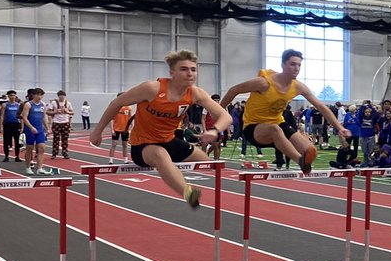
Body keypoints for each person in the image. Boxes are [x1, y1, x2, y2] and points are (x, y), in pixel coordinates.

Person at [90, 50, 232, 208]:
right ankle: (188, 193)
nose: (190, 74)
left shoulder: (196, 93)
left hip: (169, 141)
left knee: (206, 162)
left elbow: (226, 116)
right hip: (143, 145)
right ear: (172, 73)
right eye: (184, 69)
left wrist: (214, 130)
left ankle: (172, 174)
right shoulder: (152, 88)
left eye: (193, 69)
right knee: (160, 154)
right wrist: (97, 131)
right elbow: (116, 103)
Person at [220, 49, 349, 176]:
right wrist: (219, 112)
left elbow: (320, 106)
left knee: (310, 150)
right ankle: (300, 161)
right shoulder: (264, 83)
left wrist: (339, 127)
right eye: (292, 64)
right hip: (254, 128)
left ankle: (304, 159)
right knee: (274, 129)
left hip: (278, 124)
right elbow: (234, 90)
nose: (296, 68)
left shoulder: (298, 86)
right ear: (283, 65)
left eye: (299, 65)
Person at [20, 88, 50, 175]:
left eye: (41, 95)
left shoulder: (42, 105)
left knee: (42, 148)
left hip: (40, 129)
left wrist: (47, 128)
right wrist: (31, 127)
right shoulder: (28, 105)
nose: (39, 97)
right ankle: (28, 167)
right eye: (37, 94)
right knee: (29, 149)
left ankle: (40, 168)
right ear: (33, 95)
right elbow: (24, 117)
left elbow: (44, 117)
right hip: (30, 130)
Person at [46, 90, 75, 158]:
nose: (62, 97)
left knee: (65, 139)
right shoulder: (53, 103)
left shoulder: (68, 103)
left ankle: (65, 153)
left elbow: (72, 112)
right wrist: (55, 112)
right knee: (56, 139)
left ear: (65, 96)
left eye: (63, 96)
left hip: (65, 123)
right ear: (58, 96)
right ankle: (54, 153)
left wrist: (67, 111)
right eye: (60, 96)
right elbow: (47, 112)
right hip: (56, 123)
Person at [107, 93, 134, 164]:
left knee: (125, 145)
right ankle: (111, 159)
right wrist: (112, 129)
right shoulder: (115, 107)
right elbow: (112, 119)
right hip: (116, 129)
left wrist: (132, 127)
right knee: (114, 144)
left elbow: (131, 118)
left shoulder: (129, 108)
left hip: (125, 129)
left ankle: (125, 159)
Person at [0, 90, 24, 162]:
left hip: (16, 124)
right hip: (7, 125)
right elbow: (2, 116)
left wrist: (22, 126)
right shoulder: (5, 105)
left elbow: (21, 116)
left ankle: (17, 156)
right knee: (6, 141)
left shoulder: (19, 105)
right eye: (11, 95)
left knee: (17, 141)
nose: (13, 97)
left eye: (14, 95)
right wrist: (0, 126)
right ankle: (6, 156)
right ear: (8, 96)